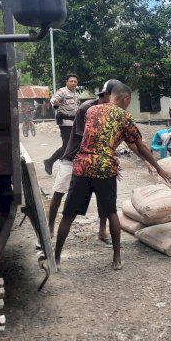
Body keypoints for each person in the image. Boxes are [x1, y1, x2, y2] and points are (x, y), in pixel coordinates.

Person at [53, 82, 171, 271]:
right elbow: (140, 146)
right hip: (105, 168)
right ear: (125, 98)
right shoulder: (124, 116)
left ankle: (57, 259)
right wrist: (157, 167)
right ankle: (117, 259)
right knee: (111, 213)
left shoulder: (91, 110)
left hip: (82, 166)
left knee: (68, 215)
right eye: (129, 101)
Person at [48, 79, 122, 241]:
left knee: (103, 196)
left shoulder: (111, 111)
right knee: (60, 192)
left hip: (92, 159)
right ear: (107, 96)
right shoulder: (86, 109)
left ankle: (102, 230)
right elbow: (87, 139)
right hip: (74, 156)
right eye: (115, 98)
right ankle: (50, 228)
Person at [44, 73, 80, 175]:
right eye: (71, 81)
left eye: (75, 81)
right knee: (67, 146)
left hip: (74, 123)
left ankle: (68, 164)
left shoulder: (76, 94)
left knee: (75, 145)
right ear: (66, 82)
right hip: (65, 123)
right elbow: (54, 100)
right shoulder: (62, 91)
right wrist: (55, 102)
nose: (73, 83)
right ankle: (49, 161)